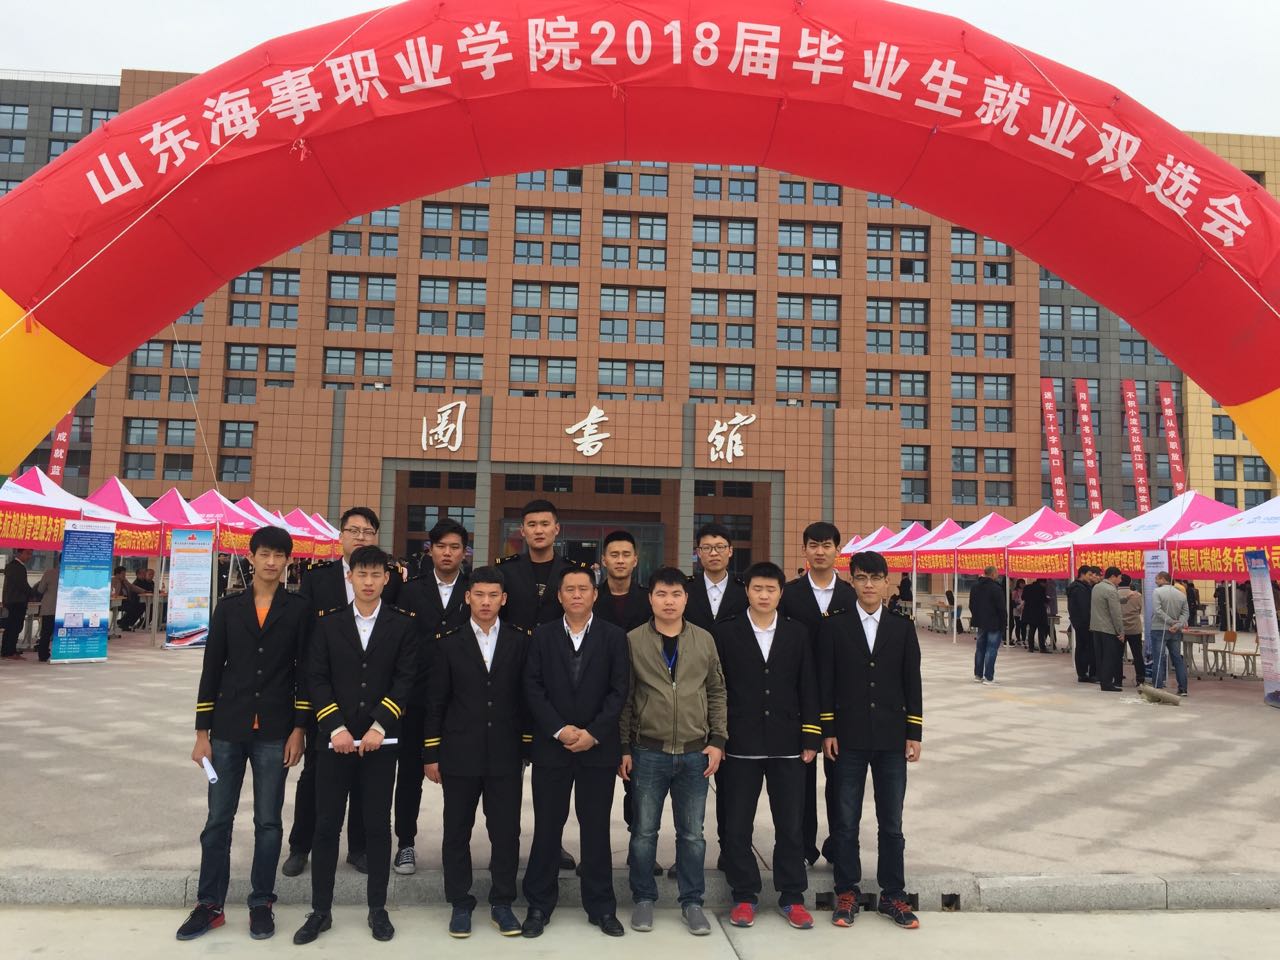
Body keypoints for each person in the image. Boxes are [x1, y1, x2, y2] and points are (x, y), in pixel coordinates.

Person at [176, 527, 308, 942]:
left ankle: (261, 902)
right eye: (264, 554)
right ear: (251, 558)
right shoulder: (229, 608)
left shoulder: (298, 609)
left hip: (275, 730)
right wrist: (202, 732)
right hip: (227, 729)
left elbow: (305, 673)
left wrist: (299, 729)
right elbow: (211, 669)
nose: (271, 562)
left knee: (268, 822)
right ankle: (209, 904)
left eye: (279, 555)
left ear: (288, 561)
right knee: (218, 820)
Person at [294, 546, 418, 945]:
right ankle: (320, 911)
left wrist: (381, 725)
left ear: (387, 578)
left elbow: (406, 678)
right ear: (350, 577)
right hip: (336, 743)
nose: (368, 581)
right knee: (327, 826)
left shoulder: (402, 624)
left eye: (376, 574)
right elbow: (315, 677)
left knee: (378, 827)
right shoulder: (328, 623)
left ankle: (377, 909)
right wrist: (335, 727)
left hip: (382, 744)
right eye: (361, 573)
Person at [282, 507, 402, 879]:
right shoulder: (318, 579)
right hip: (326, 703)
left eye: (368, 531)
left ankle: (359, 848)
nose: (360, 537)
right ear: (341, 535)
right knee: (314, 779)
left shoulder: (391, 578)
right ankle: (301, 846)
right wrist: (306, 718)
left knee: (367, 782)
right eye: (354, 530)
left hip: (372, 703)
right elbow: (306, 651)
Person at [520, 568, 630, 939]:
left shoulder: (614, 637)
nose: (577, 595)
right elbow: (532, 686)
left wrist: (593, 734)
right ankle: (538, 904)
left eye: (584, 589)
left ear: (595, 595)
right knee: (547, 828)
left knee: (596, 829)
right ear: (560, 596)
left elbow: (619, 690)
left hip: (597, 749)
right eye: (570, 589)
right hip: (553, 747)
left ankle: (601, 907)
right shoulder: (543, 635)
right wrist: (559, 729)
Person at [423, 566, 529, 939]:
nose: (486, 602)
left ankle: (502, 902)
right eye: (479, 595)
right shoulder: (447, 642)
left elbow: (526, 697)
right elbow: (435, 701)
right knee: (457, 830)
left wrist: (526, 745)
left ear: (504, 599)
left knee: (506, 831)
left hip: (505, 752)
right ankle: (460, 902)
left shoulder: (519, 641)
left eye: (493, 595)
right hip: (459, 752)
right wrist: (431, 752)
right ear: (468, 597)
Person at [818, 551, 922, 930]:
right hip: (848, 738)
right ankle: (847, 891)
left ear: (886, 582)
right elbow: (826, 681)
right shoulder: (835, 625)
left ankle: (893, 894)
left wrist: (914, 732)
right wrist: (828, 730)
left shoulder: (902, 626)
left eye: (875, 578)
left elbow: (912, 681)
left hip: (892, 738)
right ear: (852, 581)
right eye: (861, 578)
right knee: (846, 821)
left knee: (891, 822)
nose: (868, 585)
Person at [619, 567, 726, 936]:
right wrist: (623, 746)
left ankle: (692, 902)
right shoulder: (633, 640)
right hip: (648, 751)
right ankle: (643, 898)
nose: (669, 601)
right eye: (662, 594)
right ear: (650, 599)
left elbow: (716, 691)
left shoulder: (704, 640)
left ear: (686, 599)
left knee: (692, 834)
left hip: (695, 753)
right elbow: (626, 698)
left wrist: (718, 739)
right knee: (644, 831)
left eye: (676, 594)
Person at [715, 562, 819, 931]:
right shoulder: (725, 632)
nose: (763, 595)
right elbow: (716, 688)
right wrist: (718, 738)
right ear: (747, 591)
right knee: (737, 826)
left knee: (790, 825)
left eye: (770, 589)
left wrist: (811, 736)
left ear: (780, 593)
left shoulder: (797, 633)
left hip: (787, 743)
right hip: (739, 744)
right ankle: (744, 894)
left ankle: (792, 896)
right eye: (757, 588)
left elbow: (808, 684)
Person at [497, 498, 590, 874]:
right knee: (510, 773)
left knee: (554, 775)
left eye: (545, 524)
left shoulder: (572, 574)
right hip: (510, 681)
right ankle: (508, 843)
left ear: (556, 529)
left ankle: (551, 843)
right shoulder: (505, 571)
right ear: (522, 531)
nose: (538, 530)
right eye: (531, 524)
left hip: (557, 685)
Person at [393, 517, 471, 877]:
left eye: (455, 547)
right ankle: (405, 843)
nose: (447, 553)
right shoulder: (411, 590)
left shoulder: (475, 589)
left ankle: (456, 847)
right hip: (416, 699)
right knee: (409, 775)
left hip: (459, 700)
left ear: (464, 552)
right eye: (441, 546)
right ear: (430, 550)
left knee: (458, 778)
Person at [778, 522, 856, 866]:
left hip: (843, 700)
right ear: (804, 550)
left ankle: (840, 845)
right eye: (813, 545)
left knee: (841, 779)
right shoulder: (789, 594)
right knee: (801, 778)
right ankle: (803, 848)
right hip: (799, 700)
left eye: (826, 545)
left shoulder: (851, 595)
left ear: (838, 550)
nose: (820, 551)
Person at [684, 522, 748, 630]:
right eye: (706, 548)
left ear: (730, 551)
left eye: (720, 547)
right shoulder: (685, 588)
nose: (713, 553)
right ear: (699, 552)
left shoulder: (744, 590)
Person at [592, 530, 650, 632]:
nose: (620, 561)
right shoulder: (591, 599)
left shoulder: (649, 599)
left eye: (626, 555)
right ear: (604, 561)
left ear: (635, 561)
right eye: (614, 555)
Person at [1150, 572, 1190, 697]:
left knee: (1158, 658)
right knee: (1177, 659)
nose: (1155, 581)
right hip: (1175, 631)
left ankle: (1157, 687)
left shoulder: (1157, 592)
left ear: (1163, 579)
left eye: (1157, 579)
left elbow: (1157, 610)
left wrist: (1170, 621)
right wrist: (1177, 625)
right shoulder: (1181, 594)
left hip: (1159, 629)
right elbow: (1186, 613)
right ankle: (1183, 688)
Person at [1090, 567, 1126, 693]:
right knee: (1109, 657)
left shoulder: (1096, 587)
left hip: (1096, 627)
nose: (1120, 581)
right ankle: (1107, 683)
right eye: (1119, 578)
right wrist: (1120, 631)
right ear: (1113, 576)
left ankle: (1103, 680)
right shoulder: (1111, 590)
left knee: (1100, 656)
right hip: (1108, 628)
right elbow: (1116, 613)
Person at [968, 566, 1005, 684]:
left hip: (981, 622)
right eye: (997, 573)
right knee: (991, 649)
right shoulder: (996, 588)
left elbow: (971, 605)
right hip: (994, 623)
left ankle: (978, 675)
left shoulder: (975, 587)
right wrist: (1004, 623)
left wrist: (977, 616)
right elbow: (1001, 608)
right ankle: (988, 677)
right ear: (993, 574)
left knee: (980, 649)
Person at [1067, 566, 1097, 681]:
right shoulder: (1079, 589)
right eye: (1089, 575)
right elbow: (1084, 608)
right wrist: (1089, 623)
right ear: (1082, 574)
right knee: (1084, 648)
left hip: (1079, 622)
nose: (1091, 577)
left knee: (1082, 647)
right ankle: (1083, 673)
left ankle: (1083, 673)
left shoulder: (1081, 587)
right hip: (1083, 623)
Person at [2, 549, 33, 659]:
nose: (29, 556)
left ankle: (8, 650)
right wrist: (33, 593)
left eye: (31, 554)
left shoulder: (13, 566)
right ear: (19, 553)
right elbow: (22, 585)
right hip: (16, 602)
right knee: (14, 627)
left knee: (12, 627)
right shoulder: (17, 567)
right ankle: (9, 652)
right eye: (27, 553)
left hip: (12, 601)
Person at [1117, 576, 1145, 687]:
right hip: (1135, 628)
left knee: (1118, 655)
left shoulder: (1114, 594)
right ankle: (1140, 679)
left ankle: (1118, 678)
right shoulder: (1137, 595)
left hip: (1119, 629)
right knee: (1137, 655)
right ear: (1130, 582)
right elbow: (1139, 610)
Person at [34, 556, 58, 663]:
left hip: (49, 607)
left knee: (46, 633)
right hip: (67, 608)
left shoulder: (49, 573)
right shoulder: (74, 574)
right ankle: (62, 654)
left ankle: (43, 655)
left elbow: (40, 589)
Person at [1019, 578, 1051, 653]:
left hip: (1030, 612)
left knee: (1031, 630)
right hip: (1039, 613)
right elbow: (1044, 599)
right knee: (1041, 631)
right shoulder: (1041, 589)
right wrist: (1048, 599)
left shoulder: (1027, 587)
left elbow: (1023, 597)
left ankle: (1031, 647)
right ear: (1042, 583)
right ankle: (1042, 648)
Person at [1011, 579, 1026, 646]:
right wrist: (1017, 606)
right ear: (1018, 584)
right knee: (1018, 625)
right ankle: (1018, 639)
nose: (1023, 584)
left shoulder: (1025, 591)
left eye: (1023, 583)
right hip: (1017, 610)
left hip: (1024, 610)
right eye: (1021, 583)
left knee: (1023, 625)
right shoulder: (1015, 591)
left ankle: (1023, 639)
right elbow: (1013, 601)